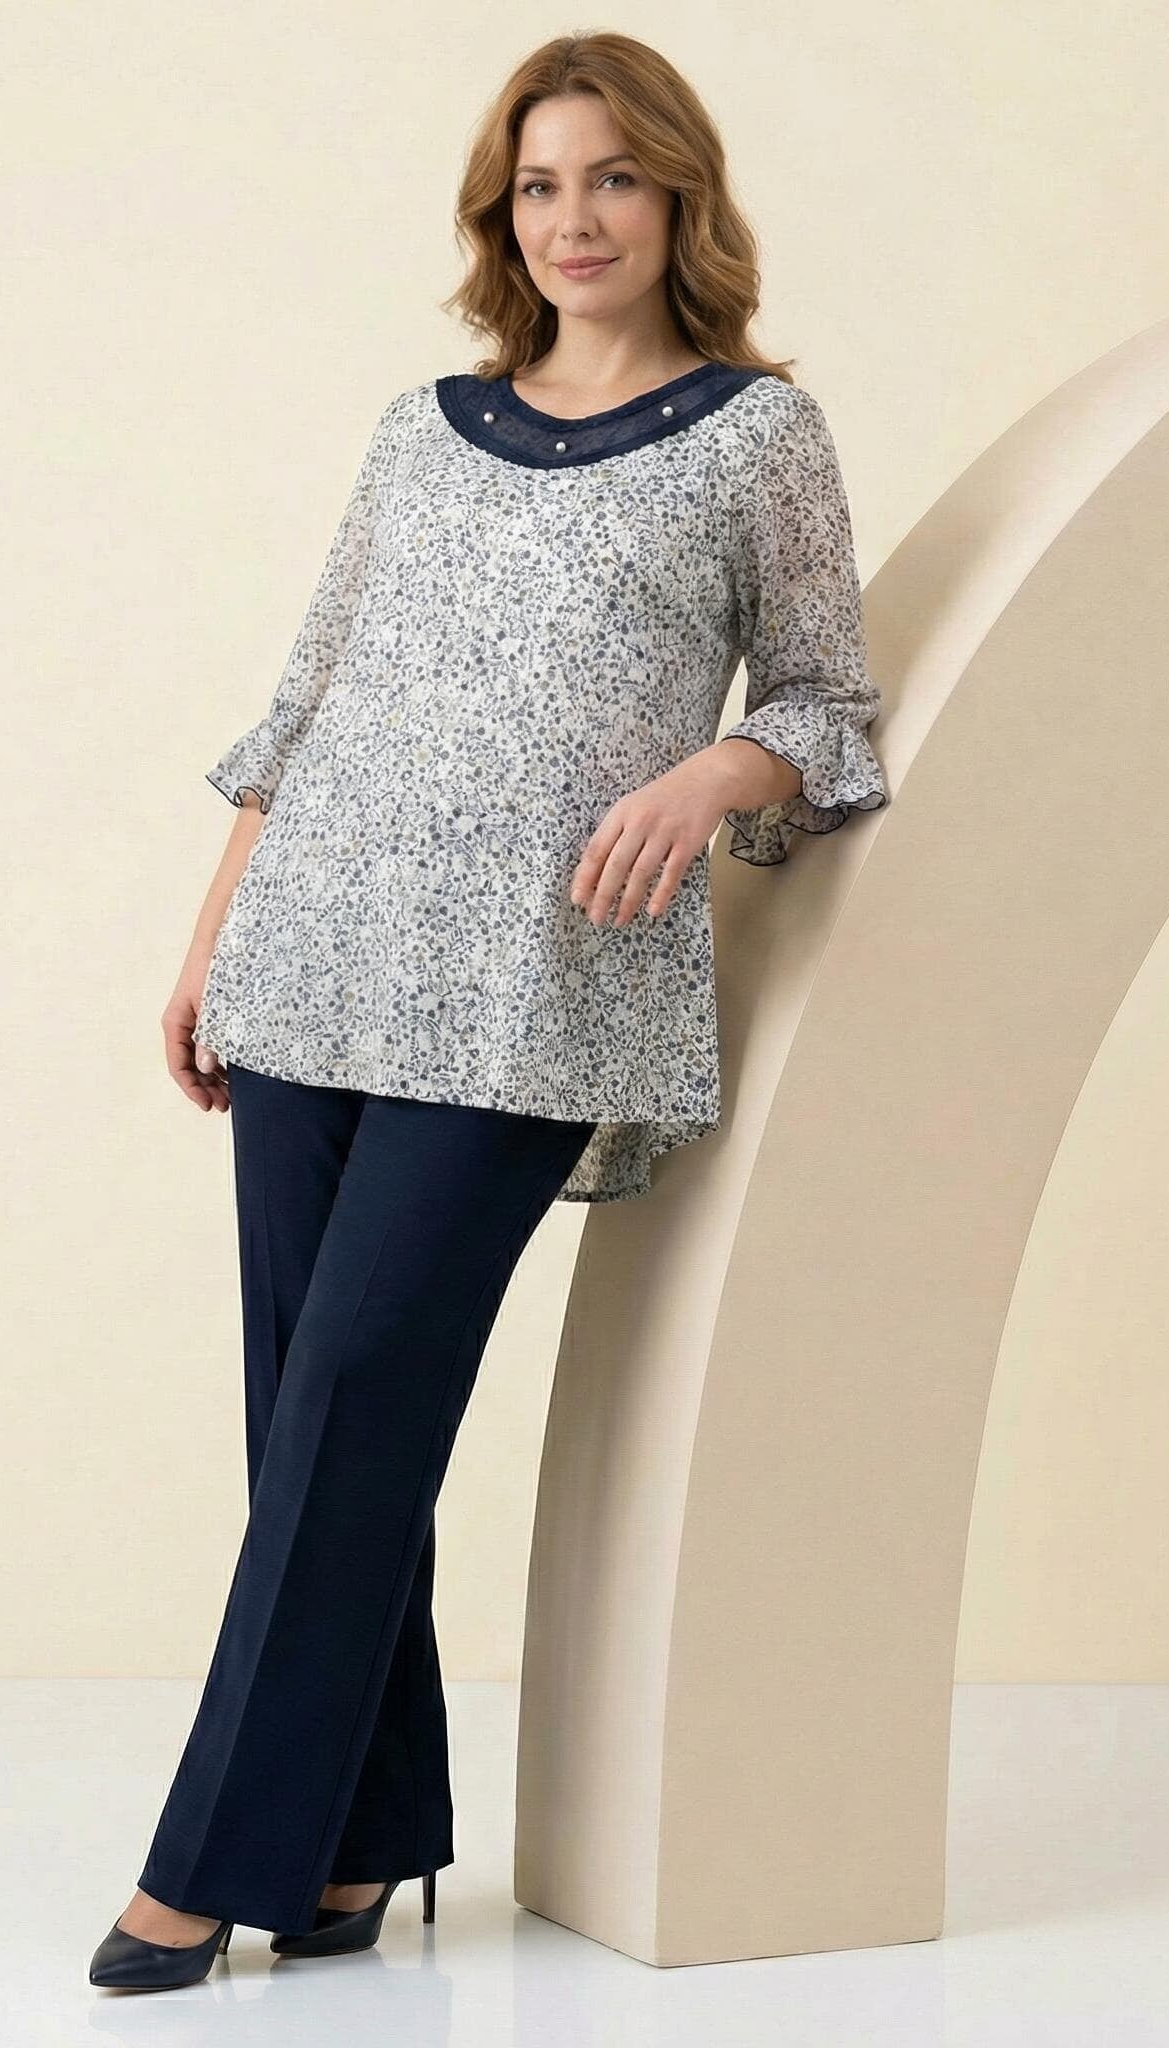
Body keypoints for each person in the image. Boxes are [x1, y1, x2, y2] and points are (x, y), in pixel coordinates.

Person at [89, 29, 890, 1991]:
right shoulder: (421, 426)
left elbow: (827, 704)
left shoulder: (756, 437)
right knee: (310, 1418)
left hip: (531, 992)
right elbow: (309, 699)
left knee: (360, 1389)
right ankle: (360, 1841)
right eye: (539, 185)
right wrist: (213, 942)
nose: (573, 218)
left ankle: (208, 1861)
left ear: (679, 198)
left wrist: (713, 775)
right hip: (313, 958)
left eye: (612, 179)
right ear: (499, 213)